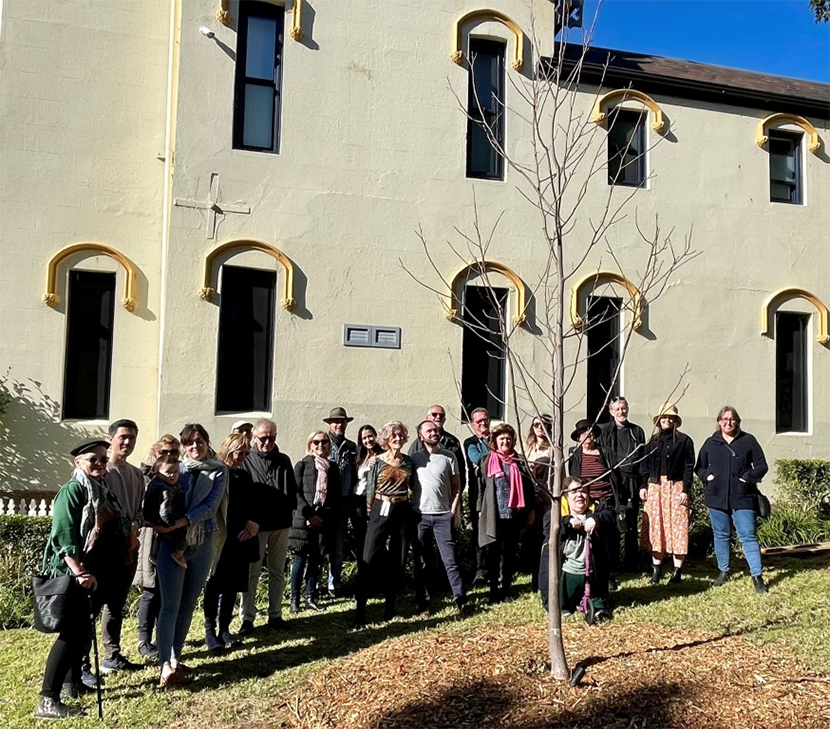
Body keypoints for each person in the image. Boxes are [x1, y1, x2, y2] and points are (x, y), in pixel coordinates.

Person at [35, 438, 125, 719]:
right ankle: (47, 700)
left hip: (94, 572)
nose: (99, 463)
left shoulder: (101, 491)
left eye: (102, 458)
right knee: (71, 635)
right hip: (75, 573)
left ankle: (71, 685)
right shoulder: (72, 490)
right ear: (78, 463)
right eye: (92, 459)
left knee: (83, 631)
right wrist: (80, 572)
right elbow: (64, 535)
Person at [151, 424, 225, 686]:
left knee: (188, 604)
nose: (195, 447)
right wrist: (169, 525)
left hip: (201, 540)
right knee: (170, 605)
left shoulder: (219, 470)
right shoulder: (174, 469)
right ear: (184, 446)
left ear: (207, 442)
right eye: (190, 443)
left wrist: (183, 522)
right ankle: (164, 666)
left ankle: (175, 658)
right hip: (171, 542)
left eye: (200, 441)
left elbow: (211, 506)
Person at [82, 419, 143, 677]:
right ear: (111, 439)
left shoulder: (136, 474)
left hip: (128, 547)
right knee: (91, 608)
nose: (127, 442)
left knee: (116, 605)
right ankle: (82, 662)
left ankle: (112, 655)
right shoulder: (99, 473)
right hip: (104, 550)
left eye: (132, 437)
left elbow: (140, 510)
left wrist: (134, 531)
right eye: (123, 437)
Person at [696, 405, 770, 594]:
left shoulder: (748, 441)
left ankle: (757, 576)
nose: (728, 422)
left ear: (737, 421)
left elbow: (762, 466)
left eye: (732, 419)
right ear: (719, 422)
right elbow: (699, 467)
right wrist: (707, 477)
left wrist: (747, 478)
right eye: (725, 419)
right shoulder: (710, 443)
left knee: (748, 535)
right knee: (721, 535)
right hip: (717, 497)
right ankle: (723, 571)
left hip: (743, 497)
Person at [353, 421, 417, 627]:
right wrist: (371, 514)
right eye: (393, 436)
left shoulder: (408, 461)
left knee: (397, 558)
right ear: (386, 439)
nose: (397, 439)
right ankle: (360, 612)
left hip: (402, 509)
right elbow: (369, 490)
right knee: (368, 556)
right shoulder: (376, 461)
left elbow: (412, 486)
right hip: (380, 508)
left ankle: (390, 608)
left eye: (400, 435)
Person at [203, 434, 260, 650]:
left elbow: (252, 503)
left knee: (232, 586)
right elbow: (220, 506)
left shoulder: (243, 476)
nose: (242, 458)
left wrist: (253, 523)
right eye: (239, 453)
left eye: (246, 454)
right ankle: (210, 632)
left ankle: (224, 629)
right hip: (220, 536)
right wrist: (245, 522)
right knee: (214, 584)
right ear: (229, 449)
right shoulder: (217, 472)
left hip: (241, 539)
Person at [239, 418, 296, 634]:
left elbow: (291, 489)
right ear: (254, 437)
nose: (267, 442)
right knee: (252, 573)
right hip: (255, 527)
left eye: (271, 438)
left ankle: (275, 615)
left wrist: (288, 509)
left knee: (277, 572)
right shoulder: (246, 459)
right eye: (263, 438)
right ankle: (247, 618)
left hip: (280, 524)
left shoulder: (283, 460)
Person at [411, 420, 468, 615]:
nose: (434, 433)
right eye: (429, 430)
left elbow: (457, 486)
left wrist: (452, 510)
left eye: (436, 430)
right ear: (421, 436)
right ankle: (424, 604)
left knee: (450, 560)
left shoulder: (449, 456)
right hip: (420, 516)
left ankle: (461, 600)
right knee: (423, 562)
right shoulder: (414, 458)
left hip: (443, 516)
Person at [134, 435, 180, 663]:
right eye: (164, 451)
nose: (169, 455)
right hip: (150, 537)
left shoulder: (176, 475)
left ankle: (160, 636)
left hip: (169, 539)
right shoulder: (145, 477)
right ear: (155, 453)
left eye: (173, 451)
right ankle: (144, 640)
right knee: (150, 590)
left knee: (163, 591)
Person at [639, 403, 695, 585]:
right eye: (664, 417)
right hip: (656, 486)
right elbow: (644, 466)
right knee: (657, 526)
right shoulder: (652, 442)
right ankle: (656, 569)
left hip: (676, 486)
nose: (667, 420)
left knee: (678, 526)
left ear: (675, 421)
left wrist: (686, 489)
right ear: (659, 420)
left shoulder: (684, 441)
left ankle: (677, 570)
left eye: (670, 417)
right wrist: (643, 486)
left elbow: (688, 467)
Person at [478, 423, 535, 603]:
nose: (505, 441)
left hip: (514, 514)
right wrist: (480, 510)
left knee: (509, 554)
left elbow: (529, 487)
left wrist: (531, 509)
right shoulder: (488, 460)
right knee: (493, 553)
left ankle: (507, 590)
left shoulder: (518, 460)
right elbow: (481, 487)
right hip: (494, 514)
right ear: (495, 441)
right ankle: (493, 591)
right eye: (501, 438)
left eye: (508, 438)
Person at [290, 431, 342, 612]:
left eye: (324, 442)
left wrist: (321, 517)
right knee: (299, 560)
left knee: (316, 560)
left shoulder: (333, 468)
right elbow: (295, 493)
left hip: (322, 520)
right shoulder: (302, 465)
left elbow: (335, 497)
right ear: (310, 445)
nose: (321, 445)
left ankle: (310, 597)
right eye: (316, 442)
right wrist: (309, 515)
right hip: (303, 519)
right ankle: (294, 600)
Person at [568, 419, 622, 591]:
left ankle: (610, 575)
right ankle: (588, 571)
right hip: (586, 502)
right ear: (578, 437)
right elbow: (573, 478)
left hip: (606, 501)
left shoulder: (605, 452)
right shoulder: (574, 454)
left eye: (590, 432)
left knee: (609, 540)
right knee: (590, 540)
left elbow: (616, 475)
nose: (587, 436)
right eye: (583, 433)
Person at [599, 398, 646, 571]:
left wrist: (643, 485)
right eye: (617, 409)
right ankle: (612, 563)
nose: (621, 412)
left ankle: (631, 562)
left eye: (624, 408)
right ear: (611, 412)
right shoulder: (604, 431)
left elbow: (643, 460)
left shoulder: (637, 431)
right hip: (612, 482)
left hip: (632, 481)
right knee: (613, 522)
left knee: (631, 523)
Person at [558, 477, 615, 620]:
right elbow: (548, 526)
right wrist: (568, 521)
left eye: (583, 491)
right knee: (563, 603)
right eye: (574, 492)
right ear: (566, 495)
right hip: (567, 571)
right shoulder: (558, 511)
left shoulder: (596, 507)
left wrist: (596, 519)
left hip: (592, 573)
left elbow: (610, 514)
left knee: (598, 604)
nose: (579, 495)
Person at [323, 407, 358, 597]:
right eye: (335, 422)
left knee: (338, 544)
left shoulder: (352, 447)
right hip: (325, 502)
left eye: (342, 422)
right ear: (330, 424)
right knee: (320, 545)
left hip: (344, 502)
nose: (339, 425)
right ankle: (312, 585)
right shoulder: (322, 443)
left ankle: (333, 583)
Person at [409, 405, 467, 496]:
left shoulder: (453, 442)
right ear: (427, 418)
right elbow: (410, 473)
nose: (438, 417)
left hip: (448, 497)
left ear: (444, 419)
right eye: (434, 414)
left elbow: (460, 471)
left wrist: (456, 496)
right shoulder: (417, 443)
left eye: (441, 415)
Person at [464, 407, 491, 585]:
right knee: (479, 535)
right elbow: (477, 458)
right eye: (478, 421)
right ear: (473, 424)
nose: (483, 423)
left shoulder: (496, 439)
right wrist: (492, 454)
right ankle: (480, 571)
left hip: (496, 493)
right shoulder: (469, 442)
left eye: (485, 420)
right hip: (478, 495)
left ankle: (497, 570)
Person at [145, 457, 188, 569]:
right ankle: (178, 553)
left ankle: (154, 553)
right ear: (158, 472)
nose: (172, 475)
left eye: (175, 472)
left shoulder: (153, 483)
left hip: (151, 516)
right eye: (168, 472)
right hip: (162, 518)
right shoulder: (166, 489)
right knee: (183, 530)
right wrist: (170, 524)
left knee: (160, 536)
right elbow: (165, 509)